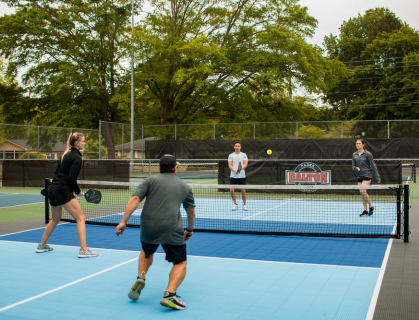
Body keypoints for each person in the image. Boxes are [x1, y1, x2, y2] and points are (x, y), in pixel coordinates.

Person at [115, 154, 195, 310]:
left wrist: (123, 221)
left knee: (146, 252)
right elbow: (190, 212)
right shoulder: (185, 186)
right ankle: (170, 295)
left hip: (148, 226)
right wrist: (189, 229)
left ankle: (141, 276)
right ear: (174, 168)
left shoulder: (149, 181)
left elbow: (134, 200)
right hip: (171, 228)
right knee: (180, 262)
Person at [36, 132, 98, 258]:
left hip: (53, 190)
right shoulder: (76, 157)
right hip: (63, 191)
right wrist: (78, 191)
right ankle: (83, 250)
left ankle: (42, 245)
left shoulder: (66, 154)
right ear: (76, 142)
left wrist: (74, 190)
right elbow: (71, 178)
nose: (84, 143)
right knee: (81, 218)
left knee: (55, 219)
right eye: (83, 141)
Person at [352, 139, 381, 216]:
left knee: (363, 191)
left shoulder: (368, 154)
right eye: (357, 143)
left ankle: (371, 207)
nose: (358, 145)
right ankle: (365, 210)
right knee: (361, 193)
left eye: (359, 143)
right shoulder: (354, 154)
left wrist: (377, 177)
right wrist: (355, 168)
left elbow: (373, 166)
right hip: (359, 176)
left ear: (363, 145)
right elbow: (353, 165)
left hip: (367, 175)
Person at [228, 141, 248, 210]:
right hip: (233, 176)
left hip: (242, 176)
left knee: (243, 190)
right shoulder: (231, 155)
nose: (237, 147)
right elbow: (230, 165)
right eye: (236, 146)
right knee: (231, 190)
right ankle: (235, 204)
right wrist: (235, 171)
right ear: (234, 147)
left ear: (240, 147)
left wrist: (240, 169)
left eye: (238, 146)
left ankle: (244, 205)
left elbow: (245, 164)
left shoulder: (244, 155)